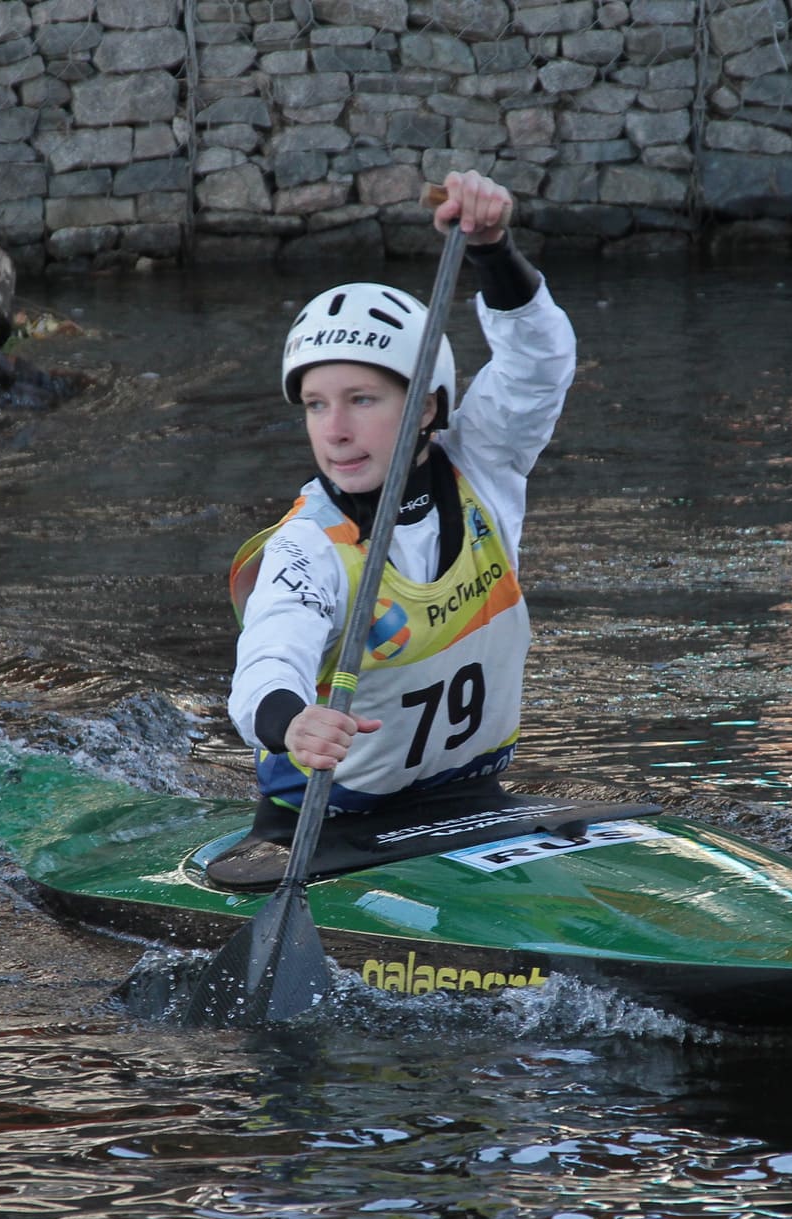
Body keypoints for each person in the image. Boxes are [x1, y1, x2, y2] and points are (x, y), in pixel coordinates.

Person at [225, 170, 575, 840]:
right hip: (326, 829)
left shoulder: (483, 467)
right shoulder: (308, 546)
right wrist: (293, 722)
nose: (335, 431)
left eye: (362, 400)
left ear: (428, 408)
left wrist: (493, 250)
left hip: (471, 801)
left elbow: (537, 368)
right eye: (316, 405)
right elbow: (269, 661)